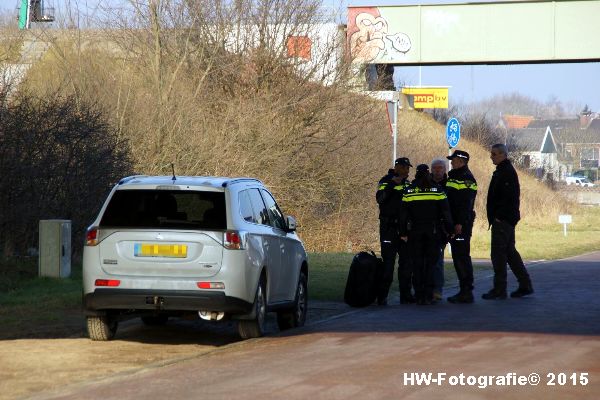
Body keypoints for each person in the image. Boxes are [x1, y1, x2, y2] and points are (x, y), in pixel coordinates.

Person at [483, 144, 534, 300]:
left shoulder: (506, 172)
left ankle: (500, 289)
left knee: (498, 254)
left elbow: (508, 197)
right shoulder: (503, 171)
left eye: (494, 154)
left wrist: (499, 216)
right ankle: (525, 285)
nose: (491, 156)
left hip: (503, 220)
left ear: (503, 155)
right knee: (510, 253)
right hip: (506, 219)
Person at [399, 164, 454, 305]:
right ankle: (429, 295)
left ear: (416, 174)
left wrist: (403, 232)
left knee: (417, 264)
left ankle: (418, 295)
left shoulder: (409, 191)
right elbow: (446, 212)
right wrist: (450, 230)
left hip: (415, 232)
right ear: (428, 173)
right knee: (430, 264)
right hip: (433, 231)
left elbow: (403, 215)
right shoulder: (437, 190)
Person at [376, 157, 413, 305]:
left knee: (406, 264)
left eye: (408, 168)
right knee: (388, 264)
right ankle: (382, 296)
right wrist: (392, 184)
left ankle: (406, 295)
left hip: (404, 229)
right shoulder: (385, 181)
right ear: (396, 167)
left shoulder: (408, 184)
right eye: (404, 167)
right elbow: (380, 199)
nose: (407, 170)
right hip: (388, 228)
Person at [445, 150, 478, 304]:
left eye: (454, 160)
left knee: (461, 257)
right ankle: (464, 290)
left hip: (461, 224)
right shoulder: (455, 176)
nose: (451, 162)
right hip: (455, 223)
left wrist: (459, 223)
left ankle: (466, 291)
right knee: (458, 257)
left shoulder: (467, 179)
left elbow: (466, 204)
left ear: (461, 161)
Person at [430, 158, 448, 301]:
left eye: (440, 168)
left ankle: (437, 290)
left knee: (437, 260)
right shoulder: (425, 184)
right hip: (425, 226)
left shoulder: (449, 185)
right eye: (435, 168)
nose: (437, 170)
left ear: (445, 170)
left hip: (441, 228)